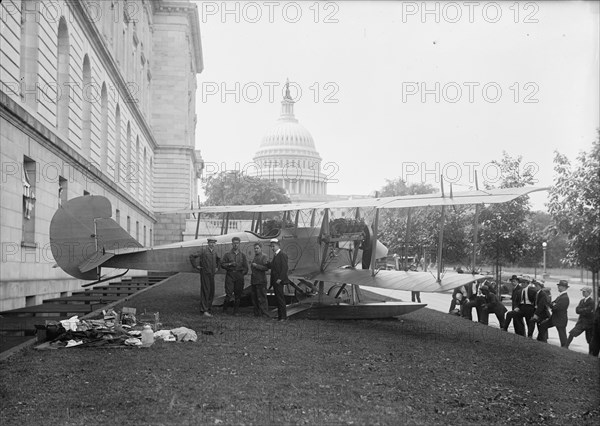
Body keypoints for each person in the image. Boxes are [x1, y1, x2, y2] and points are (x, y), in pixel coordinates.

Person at [189, 238, 220, 317]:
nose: (212, 244)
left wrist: (217, 267)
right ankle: (204, 310)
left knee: (211, 292)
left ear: (215, 244)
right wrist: (196, 266)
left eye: (213, 243)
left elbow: (218, 259)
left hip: (212, 274)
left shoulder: (215, 252)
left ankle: (208, 308)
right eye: (210, 243)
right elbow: (192, 256)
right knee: (205, 291)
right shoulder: (203, 250)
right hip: (205, 274)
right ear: (208, 243)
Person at [220, 236, 248, 315]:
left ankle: (236, 311)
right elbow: (222, 264)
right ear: (232, 244)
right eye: (234, 243)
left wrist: (242, 274)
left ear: (239, 244)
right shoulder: (227, 254)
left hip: (239, 275)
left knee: (238, 294)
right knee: (228, 293)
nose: (236, 245)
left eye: (237, 243)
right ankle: (224, 310)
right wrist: (230, 264)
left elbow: (246, 267)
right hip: (230, 274)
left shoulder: (242, 255)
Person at [538, 280, 570, 347]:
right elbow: (553, 304)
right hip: (554, 318)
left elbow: (556, 308)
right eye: (558, 286)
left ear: (564, 287)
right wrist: (552, 304)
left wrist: (552, 305)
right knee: (543, 325)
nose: (558, 287)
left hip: (560, 319)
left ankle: (565, 348)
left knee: (562, 335)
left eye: (560, 286)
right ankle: (542, 341)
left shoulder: (565, 298)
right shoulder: (561, 296)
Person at [269, 238, 289, 321]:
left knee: (280, 298)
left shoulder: (282, 255)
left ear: (278, 246)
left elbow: (285, 268)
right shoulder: (276, 255)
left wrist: (280, 278)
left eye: (273, 246)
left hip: (279, 281)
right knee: (277, 298)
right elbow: (273, 267)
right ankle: (280, 316)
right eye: (271, 246)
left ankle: (283, 317)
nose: (272, 248)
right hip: (275, 281)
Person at [249, 242, 271, 318]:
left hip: (261, 281)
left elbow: (266, 268)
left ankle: (265, 314)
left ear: (261, 248)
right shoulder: (255, 257)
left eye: (257, 248)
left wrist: (256, 266)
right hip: (254, 281)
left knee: (262, 298)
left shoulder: (264, 257)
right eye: (255, 248)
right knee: (254, 298)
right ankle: (257, 314)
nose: (256, 250)